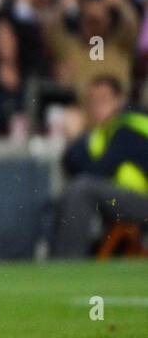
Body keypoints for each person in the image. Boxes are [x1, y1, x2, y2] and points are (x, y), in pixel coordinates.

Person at [51, 76, 148, 258]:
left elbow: (97, 171)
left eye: (104, 100)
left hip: (143, 200)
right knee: (77, 189)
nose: (97, 107)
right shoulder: (101, 133)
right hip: (129, 200)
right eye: (93, 102)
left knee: (82, 190)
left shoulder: (129, 125)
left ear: (120, 100)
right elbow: (72, 165)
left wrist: (76, 136)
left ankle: (66, 263)